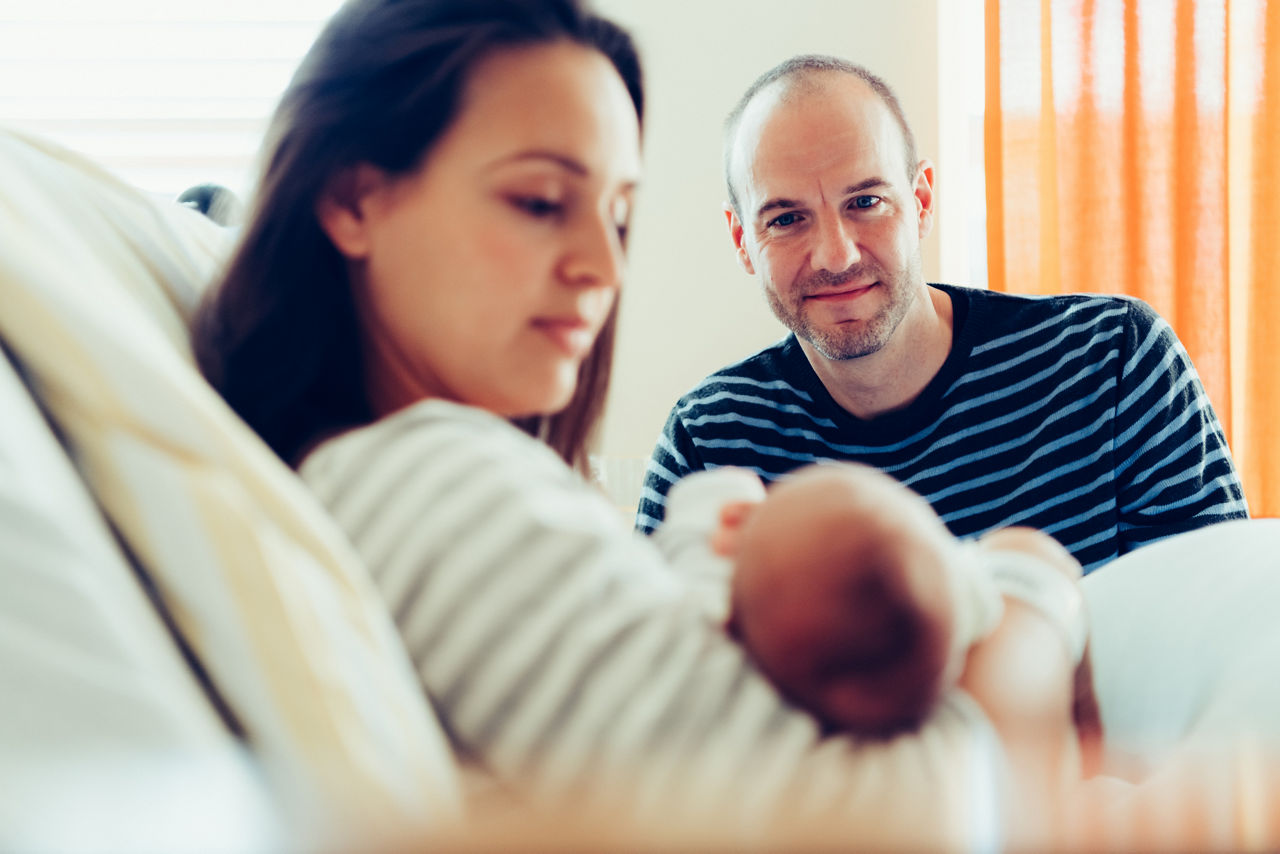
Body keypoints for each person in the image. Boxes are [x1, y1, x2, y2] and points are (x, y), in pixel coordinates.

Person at [193, 1, 1071, 845]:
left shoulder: (436, 479)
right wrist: (1031, 604)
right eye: (541, 201)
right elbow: (868, 827)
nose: (603, 264)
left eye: (617, 213)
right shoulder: (430, 482)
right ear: (354, 202)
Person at [635, 55, 1248, 573]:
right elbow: (657, 693)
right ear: (743, 240)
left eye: (866, 201)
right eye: (786, 219)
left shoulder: (1114, 362)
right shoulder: (707, 445)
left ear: (921, 201)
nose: (836, 254)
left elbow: (1216, 639)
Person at [654, 462, 1097, 766]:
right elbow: (994, 582)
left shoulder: (722, 648)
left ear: (732, 626)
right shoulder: (957, 627)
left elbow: (699, 525)